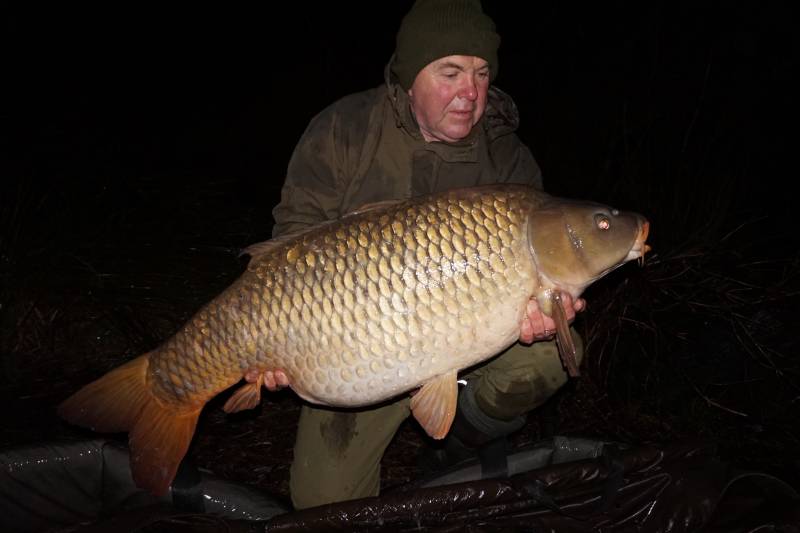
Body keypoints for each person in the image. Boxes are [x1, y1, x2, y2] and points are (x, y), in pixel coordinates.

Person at [268, 0, 584, 510]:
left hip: (469, 335)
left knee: (547, 360)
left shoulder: (508, 159)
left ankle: (459, 444)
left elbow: (542, 269)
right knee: (323, 505)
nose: (470, 92)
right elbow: (291, 242)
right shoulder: (345, 131)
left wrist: (546, 312)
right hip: (358, 345)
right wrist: (280, 342)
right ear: (411, 77)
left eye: (482, 74)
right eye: (450, 72)